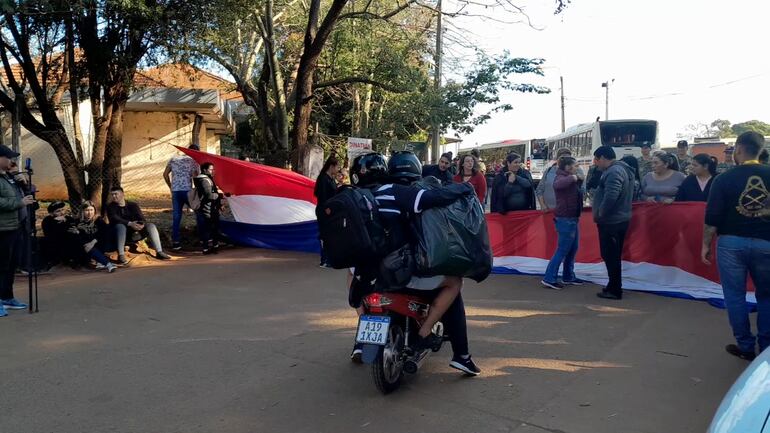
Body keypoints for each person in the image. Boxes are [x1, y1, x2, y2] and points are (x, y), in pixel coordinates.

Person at [350, 152, 481, 375]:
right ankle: (443, 344)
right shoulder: (401, 193)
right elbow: (439, 197)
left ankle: (362, 338)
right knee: (454, 284)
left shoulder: (358, 196)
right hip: (401, 273)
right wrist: (465, 188)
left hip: (366, 274)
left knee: (351, 270)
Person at [702, 131, 770, 361]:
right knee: (767, 296)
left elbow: (712, 216)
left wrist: (706, 245)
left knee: (735, 295)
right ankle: (766, 349)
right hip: (766, 243)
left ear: (739, 149)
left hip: (731, 243)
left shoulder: (724, 179)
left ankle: (746, 346)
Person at [592, 146, 635, 300]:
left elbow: (611, 195)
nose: (595, 163)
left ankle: (615, 289)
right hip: (619, 218)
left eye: (596, 159)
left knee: (610, 255)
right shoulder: (623, 169)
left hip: (611, 221)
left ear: (603, 158)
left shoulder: (613, 171)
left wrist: (601, 213)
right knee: (612, 255)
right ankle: (613, 285)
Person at [542, 156, 585, 290]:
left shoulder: (568, 178)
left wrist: (576, 179)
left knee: (572, 249)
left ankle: (568, 276)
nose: (577, 168)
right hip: (566, 218)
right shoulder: (561, 178)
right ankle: (549, 277)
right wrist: (574, 178)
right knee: (563, 249)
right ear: (567, 167)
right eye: (575, 166)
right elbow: (558, 185)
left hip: (572, 217)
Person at [0, 145, 32, 316]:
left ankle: (7, 297)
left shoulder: (9, 177)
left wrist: (24, 184)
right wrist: (20, 203)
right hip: (2, 229)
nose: (12, 161)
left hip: (15, 227)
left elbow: (24, 195)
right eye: (9, 157)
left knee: (11, 264)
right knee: (1, 265)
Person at [106, 187, 170, 263]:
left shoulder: (133, 205)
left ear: (122, 194)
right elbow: (114, 219)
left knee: (151, 226)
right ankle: (121, 255)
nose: (114, 196)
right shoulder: (110, 207)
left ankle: (159, 252)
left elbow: (141, 218)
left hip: (135, 232)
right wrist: (130, 223)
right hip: (119, 234)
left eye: (116, 194)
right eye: (112, 194)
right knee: (120, 226)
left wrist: (141, 224)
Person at [163, 144, 201, 251]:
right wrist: (197, 192)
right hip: (187, 192)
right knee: (199, 212)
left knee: (176, 217)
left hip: (175, 192)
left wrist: (170, 186)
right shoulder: (194, 161)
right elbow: (195, 177)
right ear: (196, 152)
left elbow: (165, 174)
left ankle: (176, 243)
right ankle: (203, 239)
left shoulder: (173, 159)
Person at [76, 201, 117, 273]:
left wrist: (93, 241)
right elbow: (79, 237)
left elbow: (104, 233)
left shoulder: (99, 220)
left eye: (91, 210)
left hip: (98, 244)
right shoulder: (77, 222)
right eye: (87, 210)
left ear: (94, 210)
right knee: (86, 246)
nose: (89, 213)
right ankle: (108, 264)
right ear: (82, 211)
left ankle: (101, 262)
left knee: (106, 236)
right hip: (85, 247)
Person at [314, 155, 340, 267]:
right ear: (331, 166)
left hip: (330, 210)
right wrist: (327, 208)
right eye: (337, 167)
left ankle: (330, 257)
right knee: (325, 234)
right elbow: (322, 195)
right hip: (324, 210)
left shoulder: (331, 179)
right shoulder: (323, 179)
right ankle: (324, 260)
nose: (338, 169)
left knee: (331, 234)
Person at [194, 162, 223, 254]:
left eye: (212, 169)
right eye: (210, 169)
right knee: (209, 228)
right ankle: (206, 249)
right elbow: (209, 195)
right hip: (207, 208)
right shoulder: (204, 180)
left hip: (211, 208)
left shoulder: (207, 179)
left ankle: (213, 247)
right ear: (204, 170)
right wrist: (220, 195)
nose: (212, 171)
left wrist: (219, 205)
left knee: (213, 228)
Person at [41, 201, 80, 268]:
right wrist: (56, 222)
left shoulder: (69, 219)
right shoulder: (47, 221)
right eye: (58, 211)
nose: (62, 212)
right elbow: (50, 235)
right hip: (55, 245)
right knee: (44, 242)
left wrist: (64, 224)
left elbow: (71, 231)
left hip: (68, 245)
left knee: (75, 239)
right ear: (51, 213)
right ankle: (52, 262)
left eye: (62, 210)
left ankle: (74, 261)